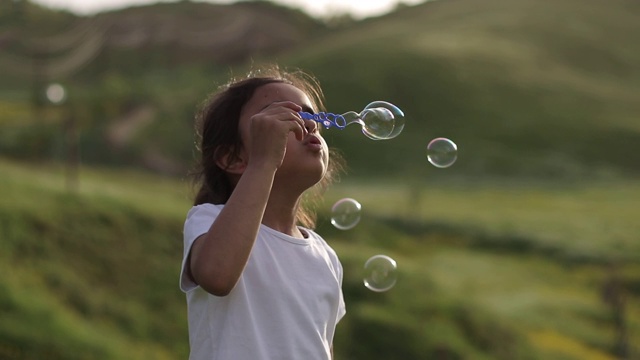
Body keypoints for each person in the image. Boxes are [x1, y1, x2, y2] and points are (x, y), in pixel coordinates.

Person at [179, 64, 346, 360]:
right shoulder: (210, 220)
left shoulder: (325, 257)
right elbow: (216, 276)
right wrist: (263, 162)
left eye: (311, 116)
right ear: (233, 158)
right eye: (283, 117)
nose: (306, 124)